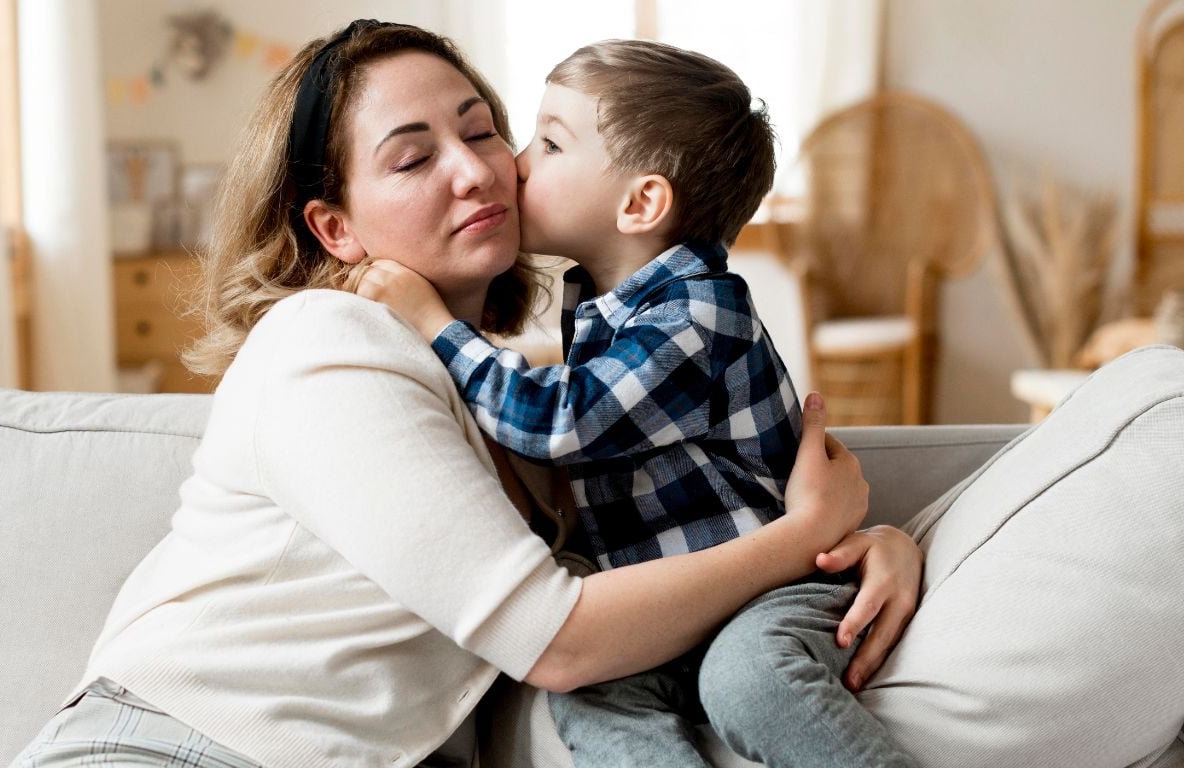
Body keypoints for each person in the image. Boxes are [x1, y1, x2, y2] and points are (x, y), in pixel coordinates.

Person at [9, 20, 921, 768]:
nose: (481, 169)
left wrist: (874, 546)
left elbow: (676, 494)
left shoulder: (532, 365)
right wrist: (802, 537)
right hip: (174, 748)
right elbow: (557, 639)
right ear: (335, 227)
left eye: (484, 129)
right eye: (412, 159)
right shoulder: (326, 344)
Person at [359, 38, 917, 768]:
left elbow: (558, 421)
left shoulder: (697, 314)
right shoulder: (604, 309)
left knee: (749, 681)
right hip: (676, 608)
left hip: (771, 588)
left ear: (641, 203)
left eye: (550, 143)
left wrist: (435, 324)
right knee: (591, 697)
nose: (517, 164)